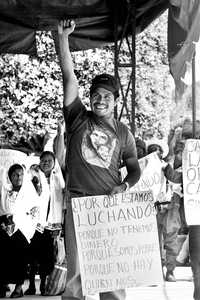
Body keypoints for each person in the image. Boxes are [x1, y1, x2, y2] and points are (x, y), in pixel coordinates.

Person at [58, 20, 141, 300]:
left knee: (111, 275)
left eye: (106, 96)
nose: (100, 100)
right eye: (95, 95)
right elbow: (69, 76)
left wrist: (125, 187)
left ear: (116, 101)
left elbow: (134, 170)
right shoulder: (78, 118)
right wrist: (63, 40)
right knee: (76, 277)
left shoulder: (124, 133)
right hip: (78, 203)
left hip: (108, 205)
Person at [25, 151, 65, 296]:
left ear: (54, 163)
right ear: (40, 161)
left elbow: (62, 196)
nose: (46, 163)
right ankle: (30, 286)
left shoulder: (58, 177)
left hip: (52, 223)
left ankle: (43, 284)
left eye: (49, 160)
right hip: (35, 222)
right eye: (44, 160)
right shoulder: (34, 174)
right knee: (31, 253)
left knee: (47, 256)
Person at [0, 163, 40, 298]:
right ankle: (2, 285)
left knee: (20, 259)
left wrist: (23, 221)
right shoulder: (5, 191)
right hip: (6, 229)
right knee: (4, 257)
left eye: (21, 174)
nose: (18, 177)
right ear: (10, 176)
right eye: (15, 174)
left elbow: (35, 211)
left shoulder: (29, 192)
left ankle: (18, 288)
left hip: (23, 230)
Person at [147, 142, 183, 282]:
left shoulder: (171, 165)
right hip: (152, 206)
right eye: (152, 153)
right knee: (153, 239)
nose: (156, 155)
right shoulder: (145, 169)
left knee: (171, 238)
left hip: (171, 205)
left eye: (158, 152)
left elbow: (177, 178)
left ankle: (170, 270)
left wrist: (166, 168)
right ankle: (156, 272)